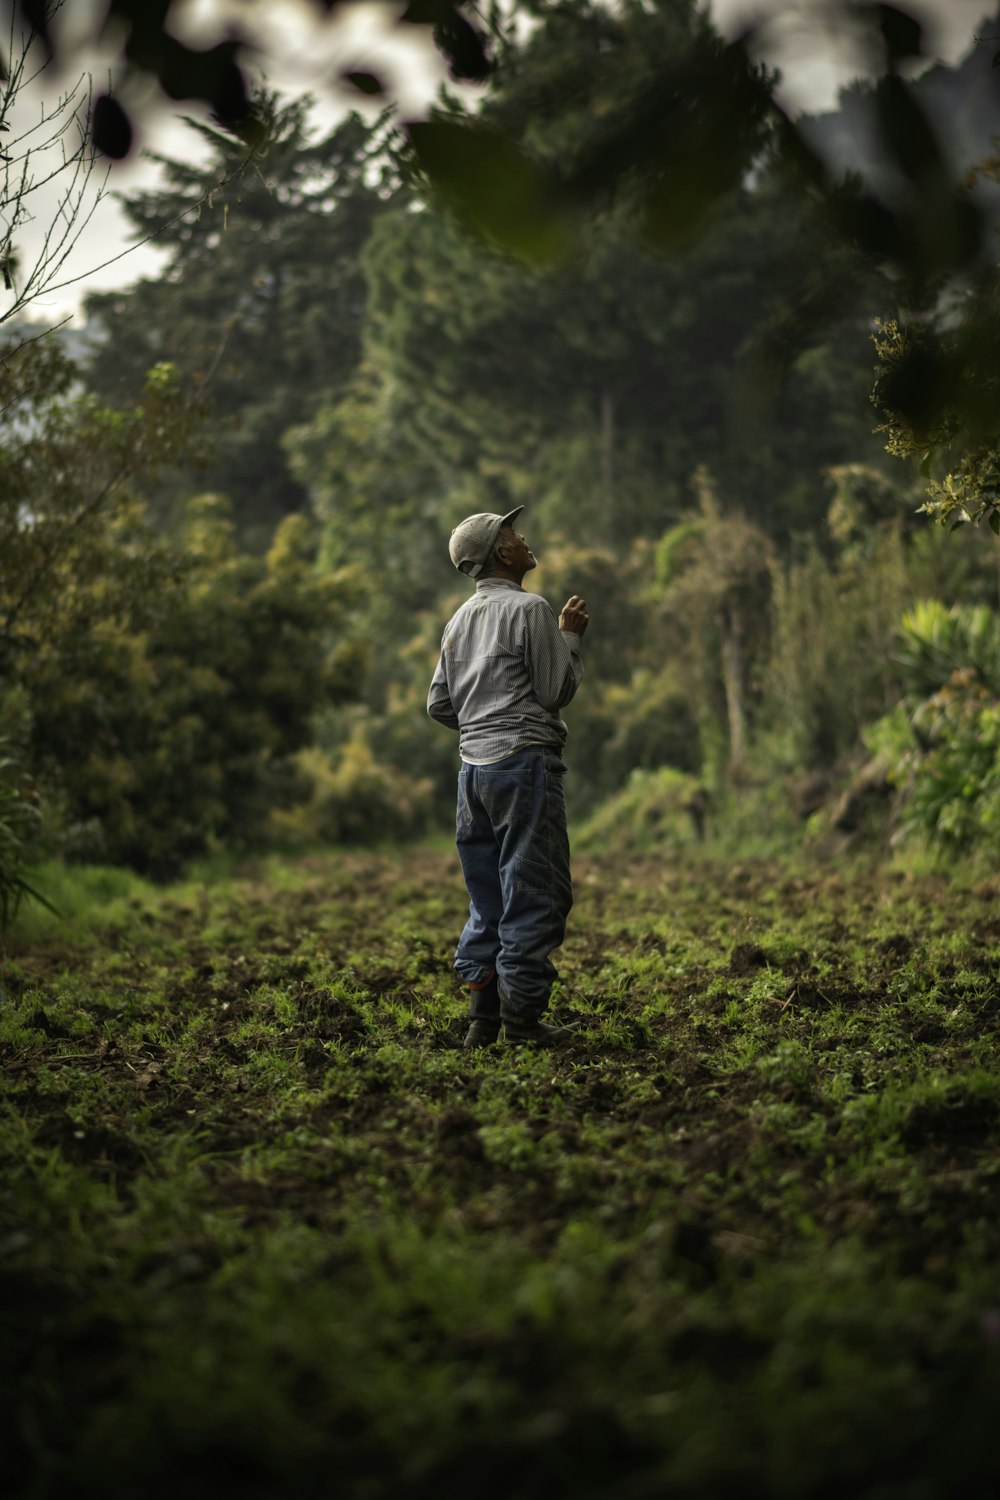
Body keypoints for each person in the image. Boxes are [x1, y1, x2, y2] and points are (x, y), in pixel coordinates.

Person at [427, 505, 589, 1048]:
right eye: (513, 533)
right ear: (501, 551)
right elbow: (554, 692)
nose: (523, 539)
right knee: (535, 892)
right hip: (523, 766)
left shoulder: (457, 621)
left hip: (472, 775)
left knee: (488, 895)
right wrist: (569, 638)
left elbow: (439, 703)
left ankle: (482, 1020)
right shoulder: (532, 610)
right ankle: (522, 1025)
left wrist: (481, 722)